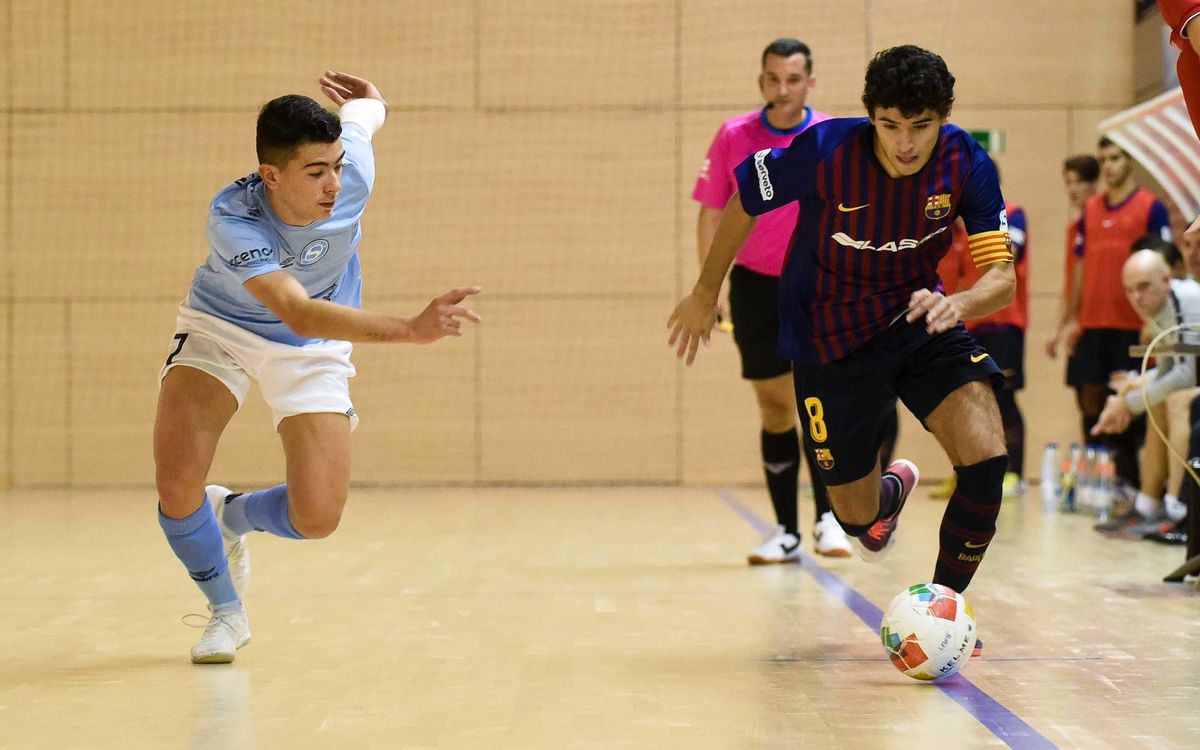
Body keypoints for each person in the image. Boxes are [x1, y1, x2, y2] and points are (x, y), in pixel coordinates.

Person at [668, 45, 1013, 655]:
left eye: (921, 126)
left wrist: (956, 304)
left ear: (943, 118)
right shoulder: (825, 150)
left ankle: (942, 612)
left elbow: (1000, 276)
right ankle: (883, 499)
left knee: (987, 457)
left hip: (918, 318)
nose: (905, 144)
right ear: (871, 116)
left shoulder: (967, 163)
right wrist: (704, 290)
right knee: (858, 525)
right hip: (829, 338)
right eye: (890, 125)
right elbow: (744, 195)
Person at [154, 71, 481, 664]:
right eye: (316, 172)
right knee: (176, 485)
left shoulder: (352, 169)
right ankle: (226, 613)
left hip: (312, 348)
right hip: (223, 329)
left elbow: (366, 116)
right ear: (271, 175)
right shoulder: (234, 219)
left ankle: (231, 514)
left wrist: (369, 101)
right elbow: (297, 312)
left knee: (318, 518)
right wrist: (410, 329)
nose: (335, 182)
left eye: (336, 165)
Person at [693, 38, 863, 562]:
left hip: (817, 282)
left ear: (810, 81)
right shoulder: (734, 135)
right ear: (761, 80)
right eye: (772, 79)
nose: (782, 89)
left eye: (793, 79)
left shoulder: (831, 135)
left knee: (818, 401)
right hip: (754, 286)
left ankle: (828, 520)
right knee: (774, 406)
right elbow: (712, 214)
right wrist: (710, 287)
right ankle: (787, 530)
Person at [1049, 138, 1172, 489]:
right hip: (1092, 323)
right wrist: (1071, 319)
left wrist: (1155, 320)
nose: (1109, 166)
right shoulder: (1090, 211)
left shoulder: (1151, 208)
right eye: (1103, 160)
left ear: (1130, 161)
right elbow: (1080, 267)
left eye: (1115, 158)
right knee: (1089, 401)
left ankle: (1131, 485)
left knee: (1130, 402)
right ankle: (1096, 483)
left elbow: (1165, 265)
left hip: (1132, 325)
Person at [1091, 250, 1200, 534]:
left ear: (1166, 279)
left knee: (1174, 400)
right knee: (1161, 401)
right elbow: (1169, 369)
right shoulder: (1159, 308)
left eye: (1143, 287)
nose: (1136, 298)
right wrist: (1132, 388)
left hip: (1191, 386)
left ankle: (1178, 508)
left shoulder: (1185, 300)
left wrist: (1129, 403)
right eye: (1129, 290)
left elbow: (1185, 374)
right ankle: (1148, 506)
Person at [938, 191, 1029, 498]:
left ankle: (1014, 473)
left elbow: (1007, 255)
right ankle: (966, 474)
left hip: (1003, 322)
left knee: (1004, 398)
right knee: (962, 403)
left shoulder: (1011, 213)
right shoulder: (952, 228)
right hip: (967, 325)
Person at [1047, 155, 1101, 440]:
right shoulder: (1074, 229)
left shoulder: (1103, 222)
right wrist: (1058, 327)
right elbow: (1071, 285)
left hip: (1100, 323)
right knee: (1085, 401)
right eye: (1068, 182)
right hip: (1081, 324)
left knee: (1102, 401)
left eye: (1080, 181)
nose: (1073, 189)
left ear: (1095, 184)